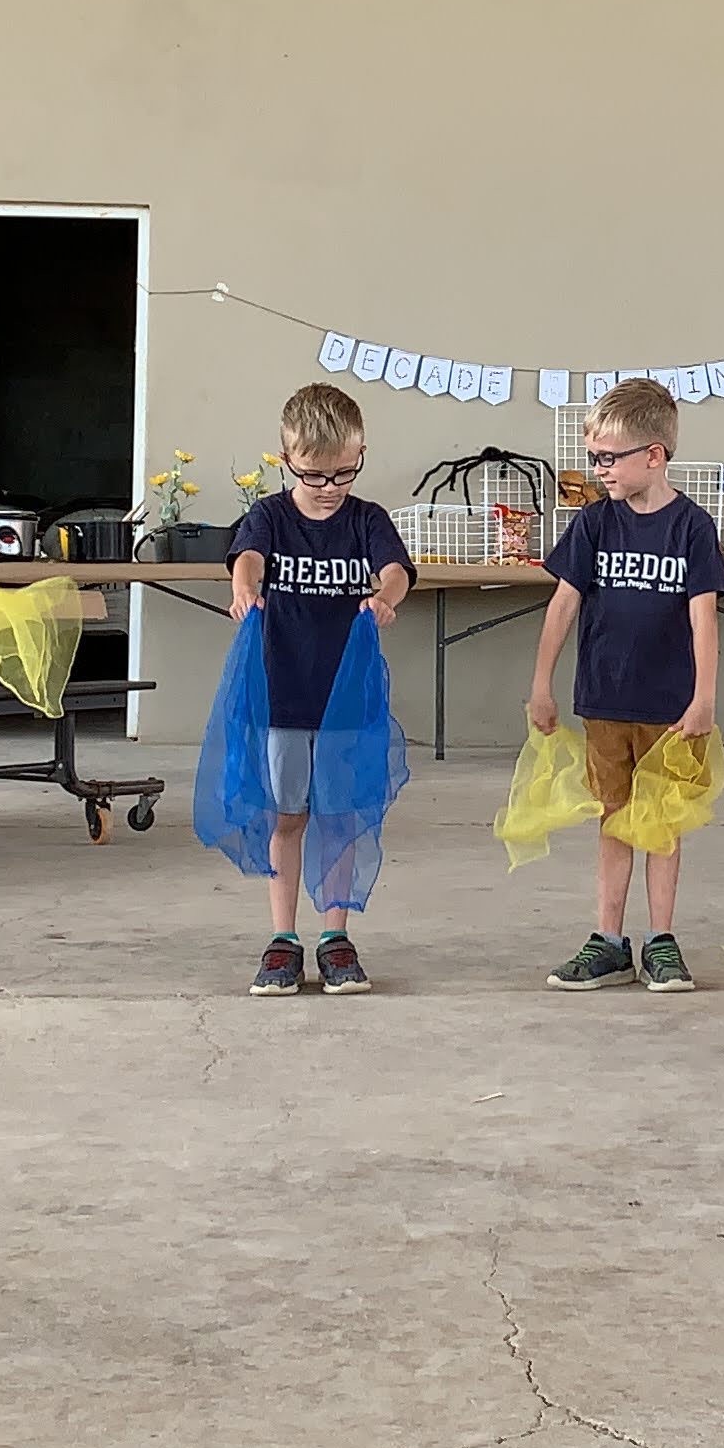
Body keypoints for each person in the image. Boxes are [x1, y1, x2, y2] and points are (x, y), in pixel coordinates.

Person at [526, 377, 724, 993]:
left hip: (670, 707)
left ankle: (661, 940)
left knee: (661, 823)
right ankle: (609, 941)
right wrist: (541, 683)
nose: (600, 470)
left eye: (610, 458)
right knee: (614, 818)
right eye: (594, 457)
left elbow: (703, 617)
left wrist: (704, 697)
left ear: (655, 455)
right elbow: (563, 605)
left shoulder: (691, 527)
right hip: (605, 700)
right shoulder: (594, 523)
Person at [226, 384, 413, 996]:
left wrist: (385, 597)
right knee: (287, 815)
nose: (330, 487)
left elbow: (395, 569)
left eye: (345, 472)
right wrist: (245, 589)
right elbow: (248, 557)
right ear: (286, 461)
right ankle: (283, 938)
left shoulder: (367, 520)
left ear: (360, 456)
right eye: (314, 475)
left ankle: (335, 936)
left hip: (347, 698)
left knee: (340, 815)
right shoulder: (269, 517)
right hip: (283, 694)